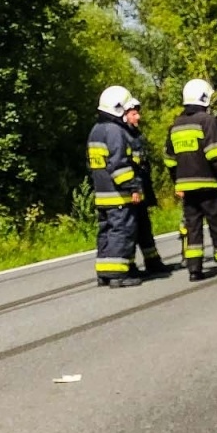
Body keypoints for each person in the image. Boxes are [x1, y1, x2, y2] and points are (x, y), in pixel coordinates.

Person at [165, 79, 217, 282]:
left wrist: (177, 182)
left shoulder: (176, 124)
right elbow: (215, 152)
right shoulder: (207, 121)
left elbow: (169, 160)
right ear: (204, 98)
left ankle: (194, 270)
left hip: (186, 186)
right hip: (207, 183)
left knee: (193, 228)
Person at [87, 85, 144, 288]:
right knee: (122, 231)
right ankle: (118, 275)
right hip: (118, 194)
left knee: (105, 232)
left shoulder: (96, 131)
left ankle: (104, 273)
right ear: (119, 108)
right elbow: (119, 164)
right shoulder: (115, 131)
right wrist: (133, 187)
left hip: (101, 194)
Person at [121, 94, 170, 277]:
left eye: (137, 113)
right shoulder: (123, 136)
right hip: (130, 192)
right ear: (125, 115)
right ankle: (130, 265)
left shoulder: (136, 135)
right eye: (133, 113)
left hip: (140, 190)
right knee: (131, 229)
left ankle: (152, 261)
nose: (138, 117)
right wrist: (132, 188)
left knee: (144, 227)